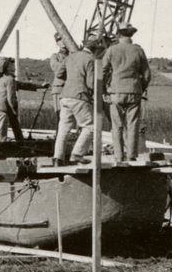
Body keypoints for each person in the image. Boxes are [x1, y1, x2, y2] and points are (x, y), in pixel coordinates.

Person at [102, 23, 151, 165]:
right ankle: (131, 155)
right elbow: (147, 75)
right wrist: (140, 87)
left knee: (117, 124)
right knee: (133, 124)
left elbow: (103, 71)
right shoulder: (138, 50)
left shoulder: (112, 50)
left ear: (119, 34)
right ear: (131, 35)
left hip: (116, 91)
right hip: (134, 91)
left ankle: (118, 156)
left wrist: (105, 89)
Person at [53, 36, 103, 165]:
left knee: (63, 129)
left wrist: (71, 80)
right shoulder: (91, 59)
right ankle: (77, 153)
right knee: (91, 127)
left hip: (64, 97)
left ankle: (57, 158)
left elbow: (59, 74)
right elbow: (91, 84)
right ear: (95, 48)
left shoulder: (70, 57)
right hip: (79, 97)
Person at [0, 58, 45, 145]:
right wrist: (14, 110)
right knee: (1, 137)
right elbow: (11, 98)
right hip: (2, 111)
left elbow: (22, 85)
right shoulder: (10, 80)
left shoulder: (2, 79)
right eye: (11, 64)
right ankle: (0, 153)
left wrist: (40, 86)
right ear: (7, 67)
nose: (14, 66)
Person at [49, 34, 69, 114]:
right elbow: (58, 72)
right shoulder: (55, 57)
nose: (63, 41)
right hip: (59, 89)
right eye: (60, 40)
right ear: (57, 43)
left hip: (71, 89)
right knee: (60, 116)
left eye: (64, 39)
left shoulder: (73, 55)